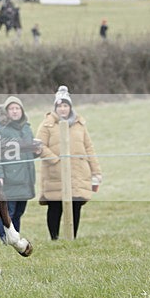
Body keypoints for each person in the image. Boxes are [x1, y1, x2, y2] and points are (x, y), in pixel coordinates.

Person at [36, 86, 102, 240]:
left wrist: (96, 171)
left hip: (78, 173)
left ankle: (72, 238)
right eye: (59, 106)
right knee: (55, 206)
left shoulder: (80, 124)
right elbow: (38, 145)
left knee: (76, 205)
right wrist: (55, 160)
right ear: (55, 107)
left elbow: (89, 147)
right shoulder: (47, 124)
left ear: (70, 107)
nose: (62, 109)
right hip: (55, 173)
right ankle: (54, 238)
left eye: (65, 106)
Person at [0, 97, 39, 244]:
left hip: (26, 178)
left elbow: (29, 149)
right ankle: (5, 238)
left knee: (18, 212)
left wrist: (36, 151)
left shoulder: (26, 127)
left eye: (18, 108)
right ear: (6, 111)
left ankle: (15, 237)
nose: (15, 111)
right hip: (9, 179)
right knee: (8, 211)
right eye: (12, 109)